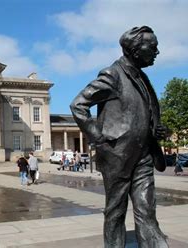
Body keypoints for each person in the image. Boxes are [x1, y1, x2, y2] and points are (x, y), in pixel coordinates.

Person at [71, 26, 168, 247]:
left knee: (147, 208)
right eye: (153, 47)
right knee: (116, 211)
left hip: (144, 155)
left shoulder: (142, 78)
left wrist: (156, 129)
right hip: (117, 155)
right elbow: (78, 105)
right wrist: (100, 140)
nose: (157, 52)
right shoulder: (112, 74)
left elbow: (144, 114)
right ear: (136, 49)